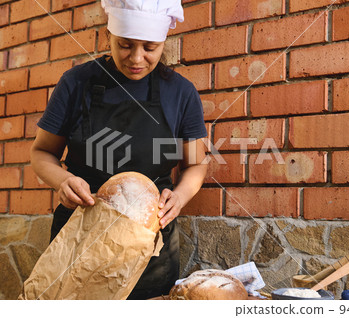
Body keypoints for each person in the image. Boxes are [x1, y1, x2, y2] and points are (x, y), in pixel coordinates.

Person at [30, 0, 208, 299]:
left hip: (149, 241)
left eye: (150, 48)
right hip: (79, 233)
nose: (136, 58)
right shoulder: (76, 83)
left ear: (163, 43)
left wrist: (179, 196)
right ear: (107, 36)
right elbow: (42, 152)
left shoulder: (181, 92)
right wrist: (62, 181)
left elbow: (196, 165)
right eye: (125, 45)